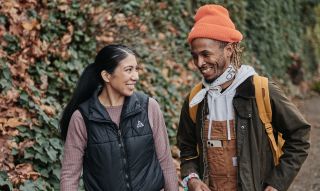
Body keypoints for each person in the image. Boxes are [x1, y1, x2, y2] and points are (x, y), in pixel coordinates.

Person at [177, 4, 310, 191]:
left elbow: (300, 136)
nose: (199, 63)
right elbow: (187, 148)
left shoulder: (261, 91)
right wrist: (192, 179)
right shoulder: (195, 100)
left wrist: (277, 183)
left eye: (206, 54)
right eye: (195, 56)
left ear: (229, 50)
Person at [59, 44, 178, 191]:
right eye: (129, 70)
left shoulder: (148, 107)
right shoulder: (82, 117)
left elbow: (165, 162)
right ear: (107, 76)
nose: (136, 76)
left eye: (136, 69)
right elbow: (70, 175)